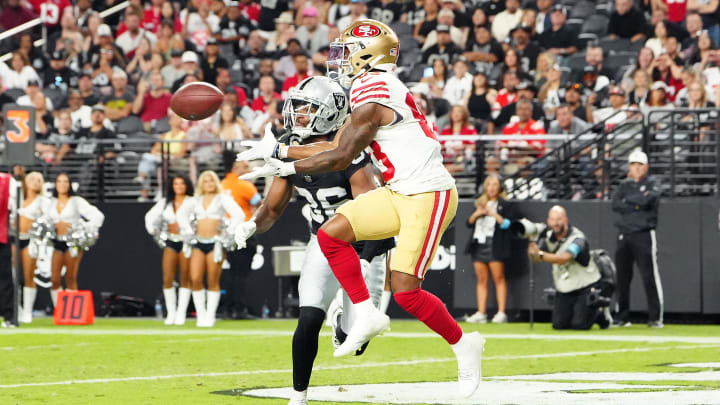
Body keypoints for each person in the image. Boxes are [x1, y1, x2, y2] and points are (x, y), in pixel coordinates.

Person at [237, 19, 485, 399]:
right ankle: (365, 312)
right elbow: (337, 142)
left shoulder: (374, 89)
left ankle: (463, 343)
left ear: (368, 54)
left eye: (348, 50)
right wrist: (282, 152)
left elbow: (340, 155)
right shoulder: (371, 85)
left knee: (406, 291)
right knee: (330, 233)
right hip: (401, 190)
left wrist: (284, 159)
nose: (343, 59)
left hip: (428, 194)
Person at [235, 76, 391, 405]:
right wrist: (250, 225)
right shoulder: (290, 142)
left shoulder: (350, 144)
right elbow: (273, 207)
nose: (300, 116)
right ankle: (298, 397)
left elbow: (373, 211)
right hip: (323, 239)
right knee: (308, 315)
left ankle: (343, 322)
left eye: (309, 109)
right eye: (298, 108)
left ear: (331, 114)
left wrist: (366, 258)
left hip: (361, 243)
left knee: (355, 341)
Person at [527, 205, 612, 330]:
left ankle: (600, 313)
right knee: (559, 325)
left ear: (566, 220)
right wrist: (532, 244)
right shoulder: (548, 236)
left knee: (579, 325)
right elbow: (534, 259)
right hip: (565, 287)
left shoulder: (578, 238)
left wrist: (540, 254)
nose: (555, 223)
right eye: (552, 219)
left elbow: (564, 258)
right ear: (548, 221)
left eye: (559, 219)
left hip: (585, 285)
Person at [179, 170, 244, 327]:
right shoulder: (194, 200)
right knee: (195, 279)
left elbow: (239, 214)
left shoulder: (223, 199)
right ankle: (201, 315)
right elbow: (181, 215)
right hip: (198, 242)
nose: (209, 184)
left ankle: (210, 315)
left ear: (216, 183)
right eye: (206, 181)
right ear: (201, 183)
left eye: (212, 181)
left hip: (216, 244)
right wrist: (187, 230)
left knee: (213, 280)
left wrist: (228, 231)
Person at [612, 150, 664, 328]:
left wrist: (631, 203)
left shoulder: (652, 183)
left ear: (646, 167)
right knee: (622, 277)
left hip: (643, 233)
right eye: (633, 164)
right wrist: (637, 203)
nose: (636, 168)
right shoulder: (623, 186)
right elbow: (616, 203)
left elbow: (648, 200)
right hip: (624, 234)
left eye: (640, 165)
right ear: (629, 167)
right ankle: (622, 316)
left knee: (649, 276)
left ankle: (655, 317)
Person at [44, 173, 104, 307]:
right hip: (56, 242)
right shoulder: (50, 202)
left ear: (70, 184)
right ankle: (58, 309)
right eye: (59, 181)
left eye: (65, 181)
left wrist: (84, 228)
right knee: (54, 279)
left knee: (71, 277)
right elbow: (44, 220)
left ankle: (72, 309)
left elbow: (97, 216)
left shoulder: (77, 201)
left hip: (73, 243)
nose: (62, 184)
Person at [144, 175, 195, 325]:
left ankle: (181, 313)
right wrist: (154, 231)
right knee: (168, 278)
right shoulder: (165, 202)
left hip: (187, 242)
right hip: (170, 241)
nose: (179, 187)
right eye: (175, 184)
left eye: (182, 184)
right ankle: (171, 312)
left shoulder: (193, 201)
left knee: (185, 277)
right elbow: (150, 217)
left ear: (187, 186)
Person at [464, 174, 513, 324]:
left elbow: (507, 224)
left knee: (499, 278)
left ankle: (501, 312)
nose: (491, 187)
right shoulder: (479, 203)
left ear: (500, 188)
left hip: (495, 244)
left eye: (494, 184)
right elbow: (469, 223)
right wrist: (478, 213)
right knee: (482, 279)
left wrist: (493, 214)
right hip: (479, 243)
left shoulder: (505, 204)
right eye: (489, 184)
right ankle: (481, 312)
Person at [220, 152, 261, 319]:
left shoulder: (221, 185)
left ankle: (229, 308)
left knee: (233, 273)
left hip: (227, 233)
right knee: (242, 274)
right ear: (236, 168)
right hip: (244, 232)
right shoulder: (245, 185)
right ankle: (240, 309)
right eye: (245, 166)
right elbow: (260, 205)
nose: (248, 169)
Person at [12, 172, 48, 324]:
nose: (35, 182)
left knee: (28, 276)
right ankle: (16, 309)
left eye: (39, 180)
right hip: (14, 238)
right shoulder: (17, 198)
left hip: (30, 239)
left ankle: (27, 311)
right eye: (32, 179)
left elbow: (47, 221)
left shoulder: (42, 201)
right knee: (13, 276)